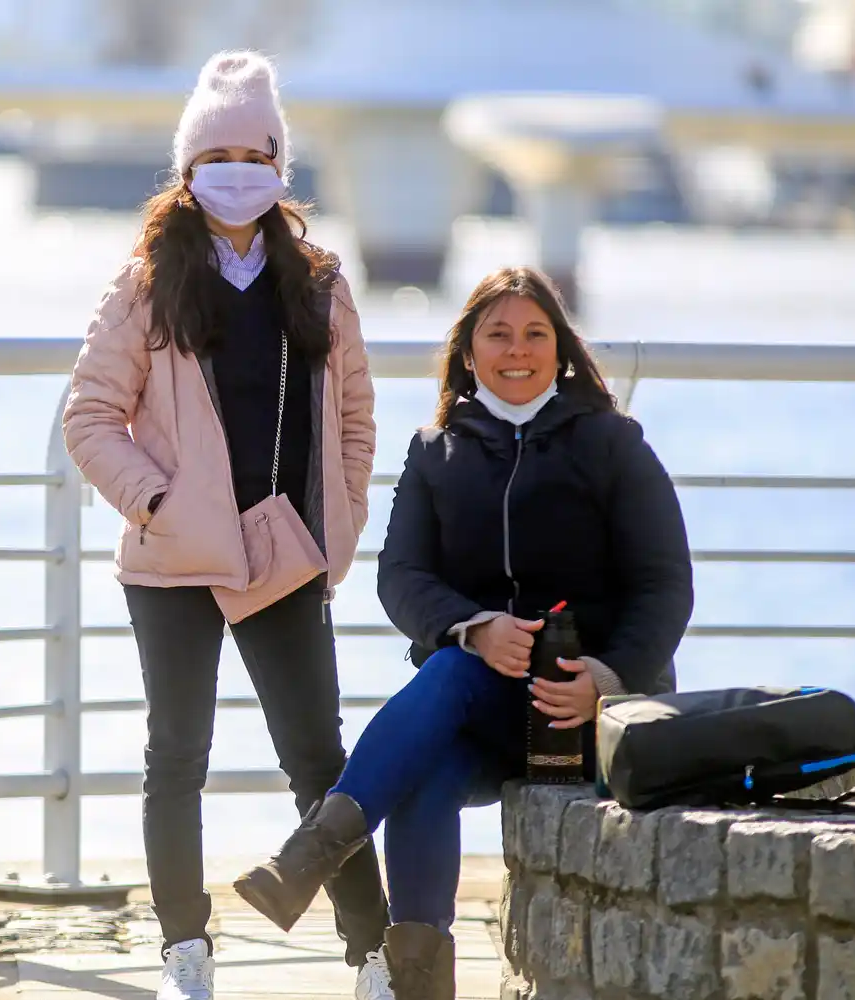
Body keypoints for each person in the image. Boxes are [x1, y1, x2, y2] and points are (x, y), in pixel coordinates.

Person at [232, 267, 694, 1000]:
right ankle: (415, 983)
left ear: (561, 350)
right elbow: (401, 578)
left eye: (535, 334)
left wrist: (607, 680)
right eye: (498, 334)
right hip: (484, 714)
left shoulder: (612, 444)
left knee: (439, 686)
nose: (518, 350)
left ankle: (310, 857)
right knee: (433, 742)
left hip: (586, 717)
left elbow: (665, 586)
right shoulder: (435, 450)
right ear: (469, 352)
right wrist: (475, 629)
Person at [63, 50, 385, 1000]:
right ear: (188, 169)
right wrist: (158, 503)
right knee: (177, 761)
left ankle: (371, 956)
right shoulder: (145, 282)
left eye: (254, 152)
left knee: (322, 763)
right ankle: (186, 954)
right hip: (173, 561)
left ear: (281, 163)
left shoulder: (320, 282)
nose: (236, 171)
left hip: (286, 552)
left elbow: (356, 422)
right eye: (218, 155)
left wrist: (339, 523)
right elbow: (89, 416)